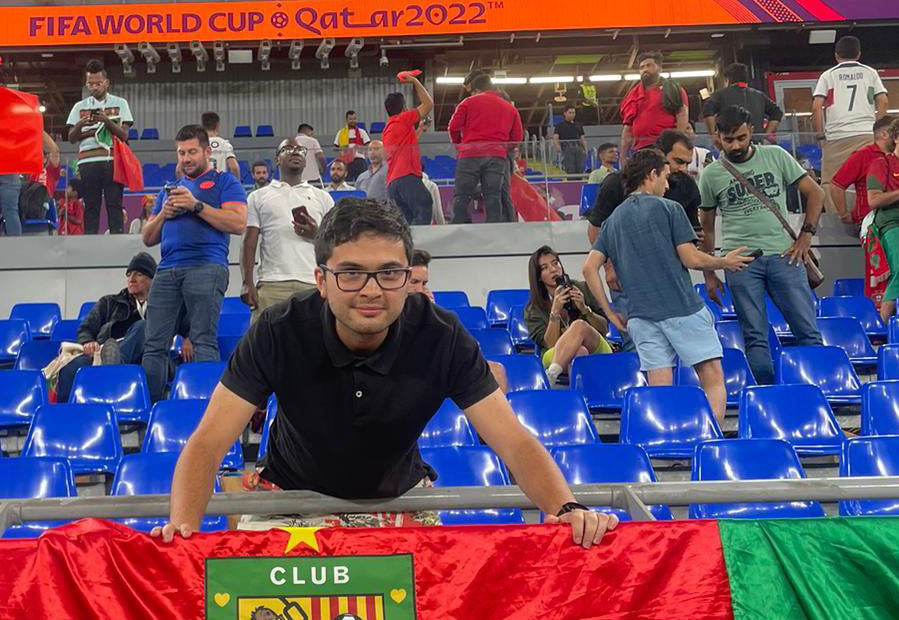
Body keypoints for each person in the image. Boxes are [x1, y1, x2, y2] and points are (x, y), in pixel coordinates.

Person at [156, 198, 615, 546]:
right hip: (292, 503)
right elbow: (209, 442)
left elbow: (512, 440)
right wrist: (181, 532)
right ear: (321, 280)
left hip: (402, 501)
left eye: (390, 273)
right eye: (351, 273)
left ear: (407, 274)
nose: (371, 291)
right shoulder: (277, 331)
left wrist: (567, 507)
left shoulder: (441, 334)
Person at [584, 149, 751, 424]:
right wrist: (725, 261)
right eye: (665, 177)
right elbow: (692, 259)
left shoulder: (612, 220)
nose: (668, 184)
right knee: (712, 378)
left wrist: (610, 312)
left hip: (640, 317)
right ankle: (708, 439)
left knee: (659, 388)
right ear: (652, 175)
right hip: (682, 309)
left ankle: (667, 442)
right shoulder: (670, 209)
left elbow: (589, 268)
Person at [699, 106, 824, 384]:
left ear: (751, 131)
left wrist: (806, 236)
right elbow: (707, 231)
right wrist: (709, 273)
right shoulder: (710, 175)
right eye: (729, 140)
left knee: (807, 329)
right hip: (739, 261)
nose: (736, 145)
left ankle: (817, 394)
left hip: (785, 256)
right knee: (755, 336)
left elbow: (816, 192)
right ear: (717, 136)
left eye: (741, 138)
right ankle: (766, 396)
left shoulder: (776, 155)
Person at [140, 124, 247, 400]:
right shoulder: (169, 191)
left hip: (207, 266)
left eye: (191, 152)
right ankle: (152, 410)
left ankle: (204, 410)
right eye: (181, 153)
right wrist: (163, 213)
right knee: (153, 345)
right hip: (166, 270)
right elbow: (147, 238)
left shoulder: (225, 182)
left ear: (206, 151)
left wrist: (195, 205)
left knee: (202, 340)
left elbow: (237, 222)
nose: (186, 158)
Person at [241, 138, 334, 314]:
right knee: (267, 341)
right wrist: (247, 282)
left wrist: (316, 234)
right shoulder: (258, 196)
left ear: (305, 160)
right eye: (288, 149)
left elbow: (334, 244)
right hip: (272, 283)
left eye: (300, 150)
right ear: (277, 159)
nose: (295, 152)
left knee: (313, 341)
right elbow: (249, 242)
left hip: (313, 283)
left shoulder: (323, 197)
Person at [55, 253, 156, 399]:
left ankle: (115, 362)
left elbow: (180, 326)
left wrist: (186, 338)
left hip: (144, 356)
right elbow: (86, 327)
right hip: (102, 353)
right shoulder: (109, 302)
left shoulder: (161, 306)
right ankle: (68, 412)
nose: (131, 279)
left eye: (138, 274)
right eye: (129, 274)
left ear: (152, 279)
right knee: (70, 369)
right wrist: (88, 342)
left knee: (142, 326)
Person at [811, 36, 888, 215]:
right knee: (871, 179)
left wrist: (821, 136)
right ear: (859, 54)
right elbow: (883, 101)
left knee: (831, 182)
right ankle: (871, 219)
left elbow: (816, 107)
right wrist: (877, 130)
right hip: (867, 135)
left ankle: (837, 221)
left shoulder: (828, 76)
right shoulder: (870, 73)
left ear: (836, 55)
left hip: (837, 137)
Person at [588, 128, 700, 241]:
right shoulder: (615, 183)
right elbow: (595, 229)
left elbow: (695, 235)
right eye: (679, 162)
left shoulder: (688, 185)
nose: (683, 169)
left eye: (687, 163)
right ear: (660, 154)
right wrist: (611, 259)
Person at [522, 246, 612, 384]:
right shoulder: (533, 309)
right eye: (545, 268)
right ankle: (580, 399)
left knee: (579, 325)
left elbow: (604, 329)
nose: (553, 269)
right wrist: (555, 311)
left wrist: (584, 309)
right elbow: (550, 344)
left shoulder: (583, 288)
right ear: (538, 277)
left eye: (555, 263)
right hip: (555, 353)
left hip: (596, 347)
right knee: (579, 351)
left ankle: (551, 375)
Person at [66, 60, 133, 234]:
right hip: (88, 162)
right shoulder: (79, 107)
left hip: (113, 160)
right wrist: (81, 124)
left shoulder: (120, 103)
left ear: (107, 82)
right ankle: (90, 246)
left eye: (98, 83)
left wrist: (106, 121)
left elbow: (124, 135)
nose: (94, 87)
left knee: (114, 204)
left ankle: (117, 242)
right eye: (90, 84)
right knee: (91, 206)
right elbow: (71, 138)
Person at [447, 69, 521, 223]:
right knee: (493, 196)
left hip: (469, 154)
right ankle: (494, 233)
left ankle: (460, 229)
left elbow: (453, 127)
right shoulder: (509, 107)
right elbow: (516, 138)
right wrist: (502, 149)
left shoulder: (467, 102)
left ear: (477, 90)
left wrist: (459, 145)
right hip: (497, 156)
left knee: (462, 195)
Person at [833, 116, 894, 304]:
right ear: (884, 133)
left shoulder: (898, 156)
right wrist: (844, 214)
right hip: (873, 227)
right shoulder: (863, 156)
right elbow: (836, 184)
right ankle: (880, 319)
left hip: (896, 223)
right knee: (879, 275)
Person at [383, 70, 434, 226]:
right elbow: (428, 104)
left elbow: (403, 147)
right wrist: (414, 80)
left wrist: (419, 130)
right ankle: (421, 246)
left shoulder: (388, 128)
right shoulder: (403, 119)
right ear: (404, 107)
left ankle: (407, 249)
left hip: (393, 184)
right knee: (424, 205)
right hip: (407, 177)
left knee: (406, 222)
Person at [620, 53, 688, 164]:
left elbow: (682, 117)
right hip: (640, 149)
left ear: (660, 68)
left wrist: (676, 146)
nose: (645, 70)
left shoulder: (673, 89)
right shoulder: (633, 94)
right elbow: (628, 128)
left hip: (665, 147)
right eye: (642, 67)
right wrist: (623, 155)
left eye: (649, 65)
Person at [867, 119, 899, 322]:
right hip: (893, 223)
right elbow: (874, 200)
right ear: (897, 138)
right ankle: (884, 322)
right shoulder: (881, 164)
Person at [700, 63, 782, 141]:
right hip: (757, 144)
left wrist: (713, 136)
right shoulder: (760, 95)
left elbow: (707, 111)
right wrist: (766, 134)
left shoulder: (720, 95)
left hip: (732, 143)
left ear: (727, 80)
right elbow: (777, 112)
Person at [202, 113, 239, 177]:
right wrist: (237, 183)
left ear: (202, 126)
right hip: (220, 184)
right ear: (218, 125)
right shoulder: (224, 144)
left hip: (203, 184)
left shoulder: (199, 144)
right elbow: (234, 167)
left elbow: (179, 170)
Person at [554, 105, 586, 176]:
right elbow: (555, 137)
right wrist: (557, 146)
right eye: (570, 112)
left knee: (580, 168)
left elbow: (582, 138)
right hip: (567, 148)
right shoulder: (559, 126)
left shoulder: (578, 124)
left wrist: (585, 149)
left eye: (573, 113)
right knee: (571, 168)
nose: (572, 114)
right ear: (565, 113)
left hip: (579, 148)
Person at [361, 137, 387, 201]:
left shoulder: (390, 172)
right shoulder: (361, 177)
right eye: (370, 149)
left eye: (376, 149)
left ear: (384, 151)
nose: (372, 152)